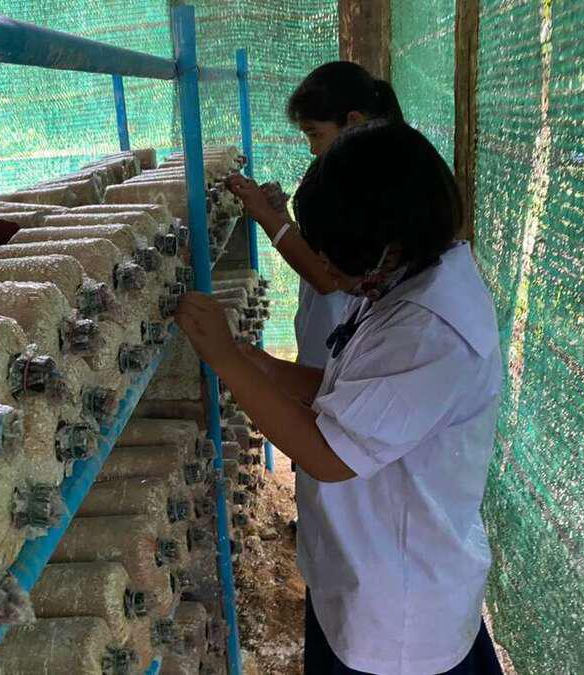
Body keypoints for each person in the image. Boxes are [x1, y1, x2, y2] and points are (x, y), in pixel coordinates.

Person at [176, 121, 503, 675]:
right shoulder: (406, 280)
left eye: (333, 255)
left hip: (396, 611)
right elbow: (347, 389)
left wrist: (227, 361)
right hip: (363, 572)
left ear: (388, 245)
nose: (323, 266)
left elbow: (328, 454)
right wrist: (257, 362)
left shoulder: (429, 330)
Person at [227, 61, 403, 369]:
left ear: (353, 121)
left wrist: (267, 217)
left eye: (315, 134)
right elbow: (322, 256)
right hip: (333, 344)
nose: (312, 149)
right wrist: (279, 216)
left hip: (343, 346)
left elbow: (327, 278)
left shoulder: (369, 184)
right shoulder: (352, 172)